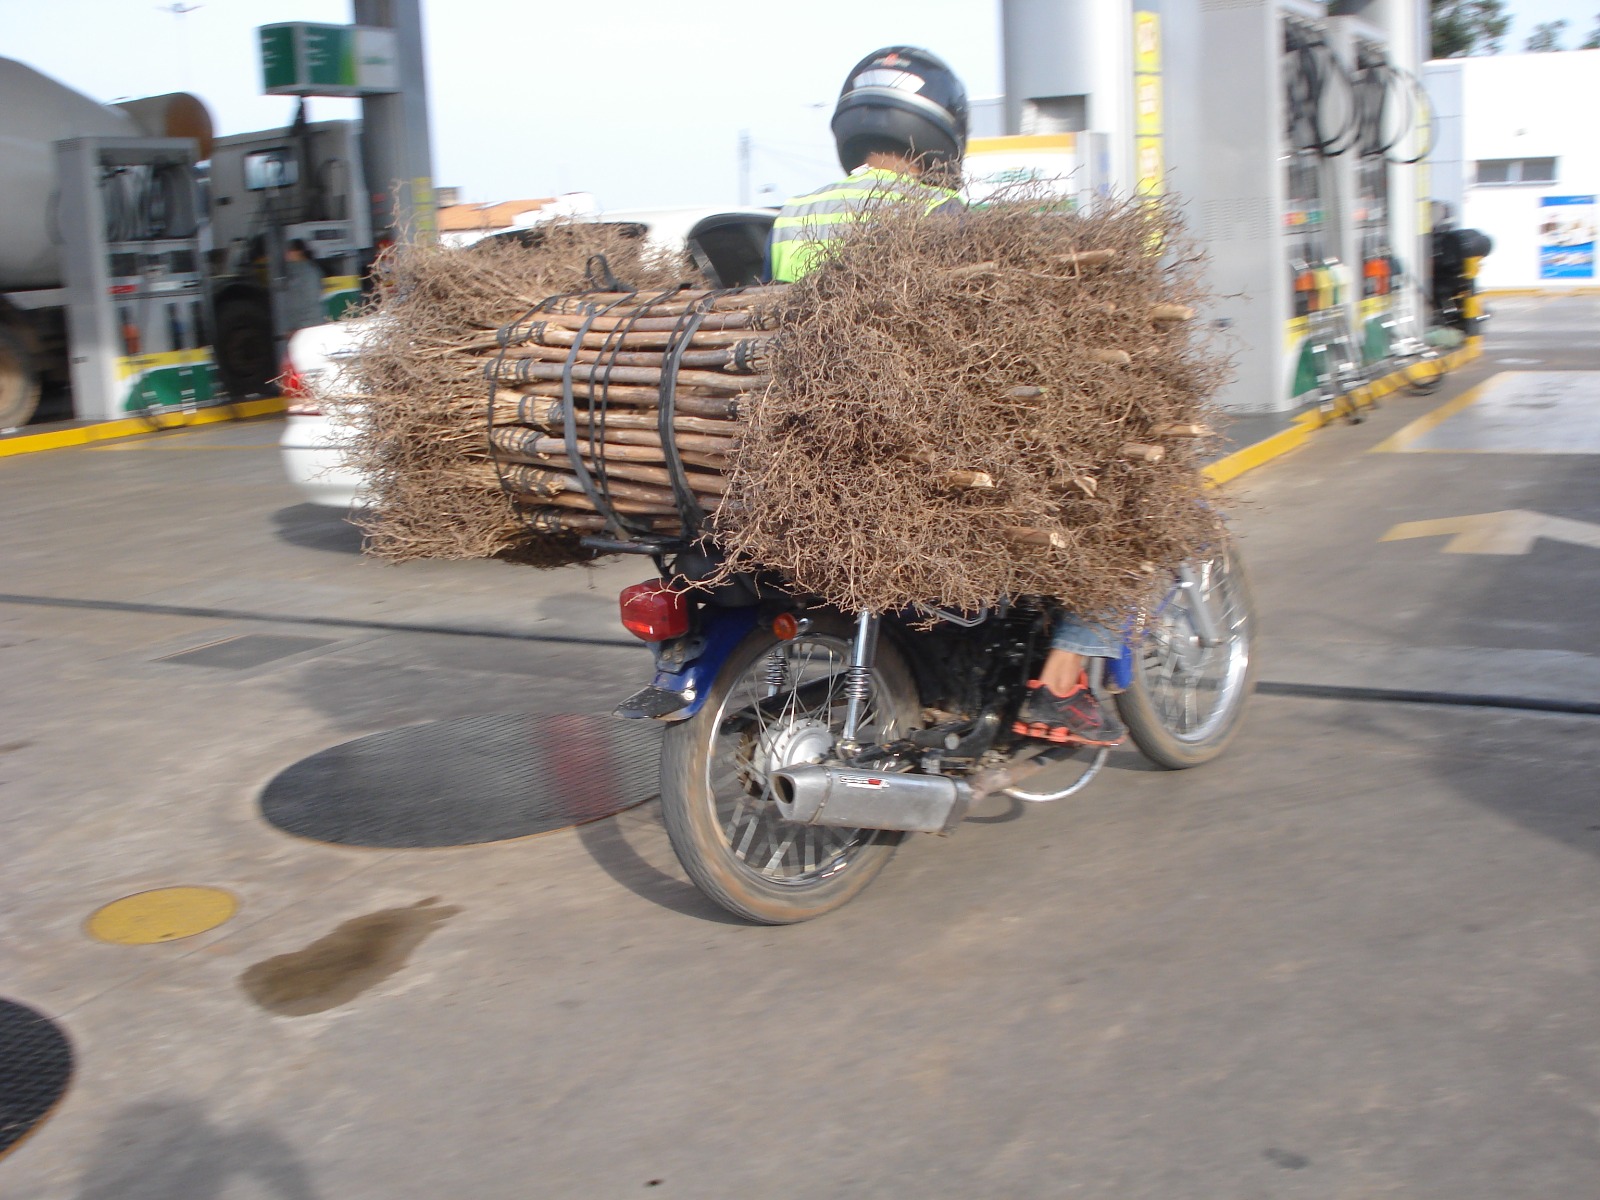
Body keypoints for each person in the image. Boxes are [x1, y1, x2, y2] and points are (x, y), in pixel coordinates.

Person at [770, 46, 1125, 747]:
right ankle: (1063, 681)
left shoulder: (791, 219)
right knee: (1116, 499)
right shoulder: (951, 219)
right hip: (929, 458)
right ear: (939, 134)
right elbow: (996, 349)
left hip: (816, 453)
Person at [281, 239, 327, 335]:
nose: (285, 254)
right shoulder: (295, 272)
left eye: (288, 251)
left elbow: (310, 302)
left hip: (308, 328)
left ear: (298, 252)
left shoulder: (307, 272)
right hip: (303, 327)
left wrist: (298, 327)